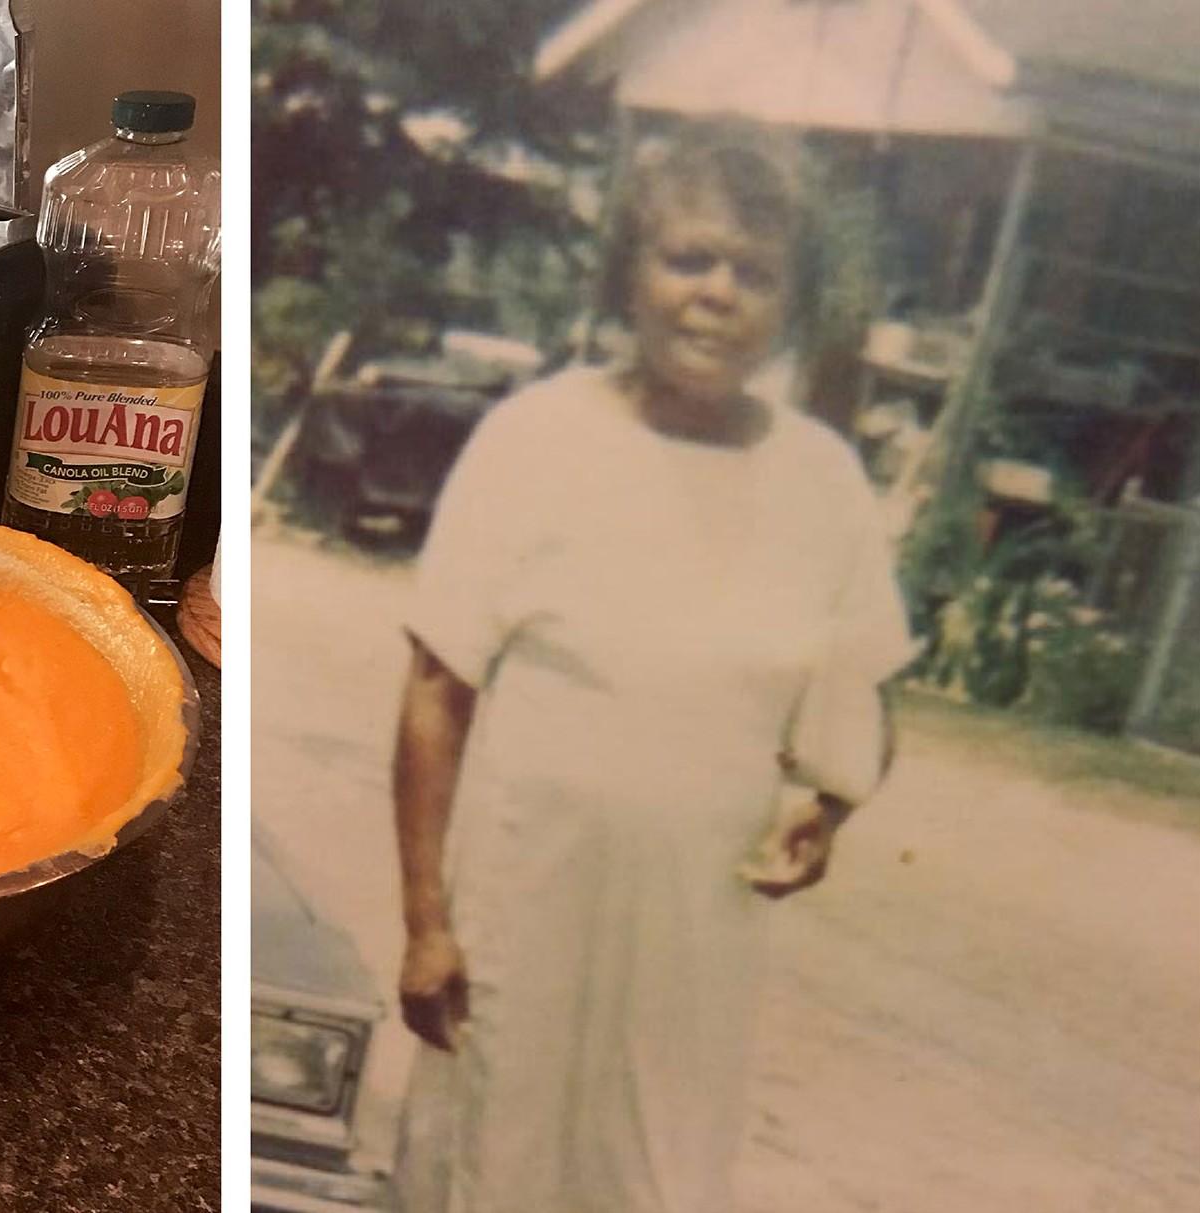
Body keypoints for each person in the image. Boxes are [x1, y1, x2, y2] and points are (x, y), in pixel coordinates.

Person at [391, 122, 917, 1213]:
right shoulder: (535, 439)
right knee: (492, 1167)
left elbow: (862, 694)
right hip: (519, 917)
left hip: (696, 944)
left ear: (791, 303)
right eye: (688, 259)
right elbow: (436, 695)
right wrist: (426, 923)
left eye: (755, 272)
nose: (717, 294)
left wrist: (825, 811)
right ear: (629, 272)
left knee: (656, 1180)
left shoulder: (821, 481)